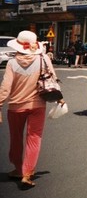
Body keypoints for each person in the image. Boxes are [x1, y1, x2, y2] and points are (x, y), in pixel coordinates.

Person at [0, 30, 64, 188]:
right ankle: (27, 174)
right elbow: (52, 79)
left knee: (16, 138)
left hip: (15, 107)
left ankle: (17, 169)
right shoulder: (43, 59)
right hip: (38, 106)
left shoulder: (12, 63)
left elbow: (5, 88)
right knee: (34, 139)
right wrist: (59, 98)